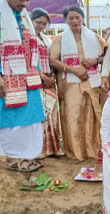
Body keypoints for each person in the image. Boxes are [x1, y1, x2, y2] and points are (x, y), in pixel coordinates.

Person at [49, 6, 107, 161]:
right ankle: (76, 152)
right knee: (72, 116)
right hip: (69, 83)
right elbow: (53, 60)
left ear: (82, 18)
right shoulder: (60, 38)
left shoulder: (94, 37)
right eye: (71, 18)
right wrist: (74, 70)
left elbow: (107, 54)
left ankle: (92, 149)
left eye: (77, 17)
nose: (74, 21)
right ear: (66, 20)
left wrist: (96, 60)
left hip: (91, 82)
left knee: (91, 116)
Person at [0, 0, 44, 172]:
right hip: (7, 78)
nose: (25, 4)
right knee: (9, 119)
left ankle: (26, 156)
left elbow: (31, 48)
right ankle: (10, 158)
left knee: (30, 118)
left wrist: (37, 72)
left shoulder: (23, 17)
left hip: (27, 77)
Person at [30, 8, 63, 158]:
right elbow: (27, 62)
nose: (41, 26)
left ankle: (52, 149)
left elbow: (52, 59)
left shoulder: (46, 39)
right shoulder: (26, 38)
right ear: (31, 20)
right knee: (39, 115)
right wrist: (42, 77)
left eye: (44, 24)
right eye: (38, 22)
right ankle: (39, 150)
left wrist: (52, 77)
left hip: (49, 80)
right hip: (34, 81)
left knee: (51, 114)